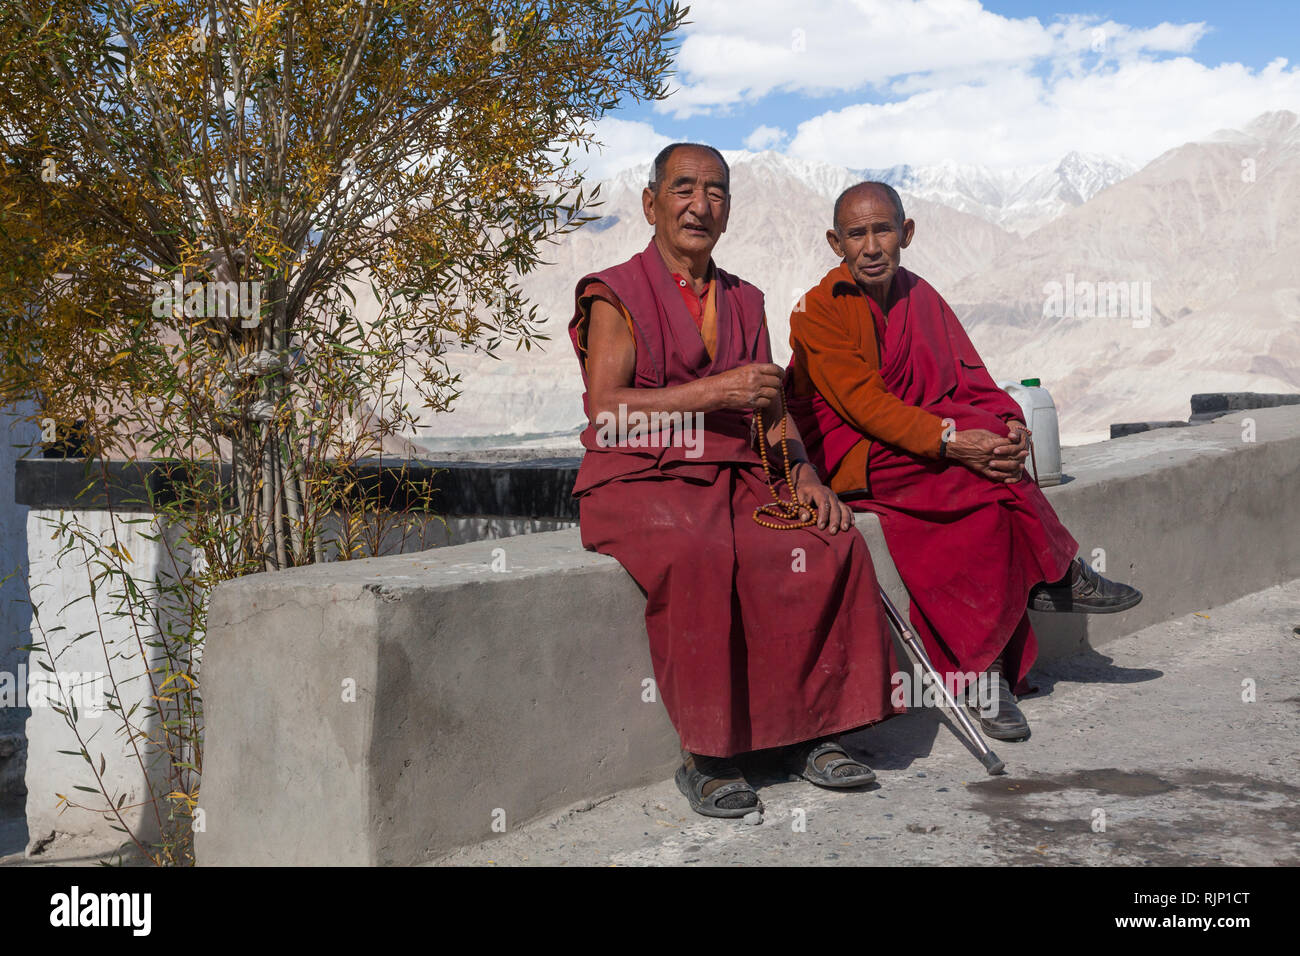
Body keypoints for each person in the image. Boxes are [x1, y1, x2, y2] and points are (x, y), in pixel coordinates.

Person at [569, 146, 904, 818]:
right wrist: (713, 390)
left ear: (728, 209)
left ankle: (811, 734)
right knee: (701, 555)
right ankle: (709, 757)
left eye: (716, 191)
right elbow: (607, 413)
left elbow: (768, 408)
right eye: (684, 188)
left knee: (828, 545)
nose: (701, 204)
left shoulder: (745, 299)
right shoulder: (618, 293)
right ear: (651, 203)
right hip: (638, 477)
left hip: (737, 471)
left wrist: (804, 473)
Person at [787, 181, 1142, 742]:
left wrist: (1007, 422)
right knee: (969, 464)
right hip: (850, 452)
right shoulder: (816, 311)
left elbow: (970, 376)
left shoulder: (921, 296)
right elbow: (866, 407)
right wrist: (955, 442)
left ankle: (985, 674)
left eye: (883, 230)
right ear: (836, 242)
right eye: (857, 234)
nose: (872, 245)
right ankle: (1058, 575)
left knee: (984, 491)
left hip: (915, 443)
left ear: (907, 233)